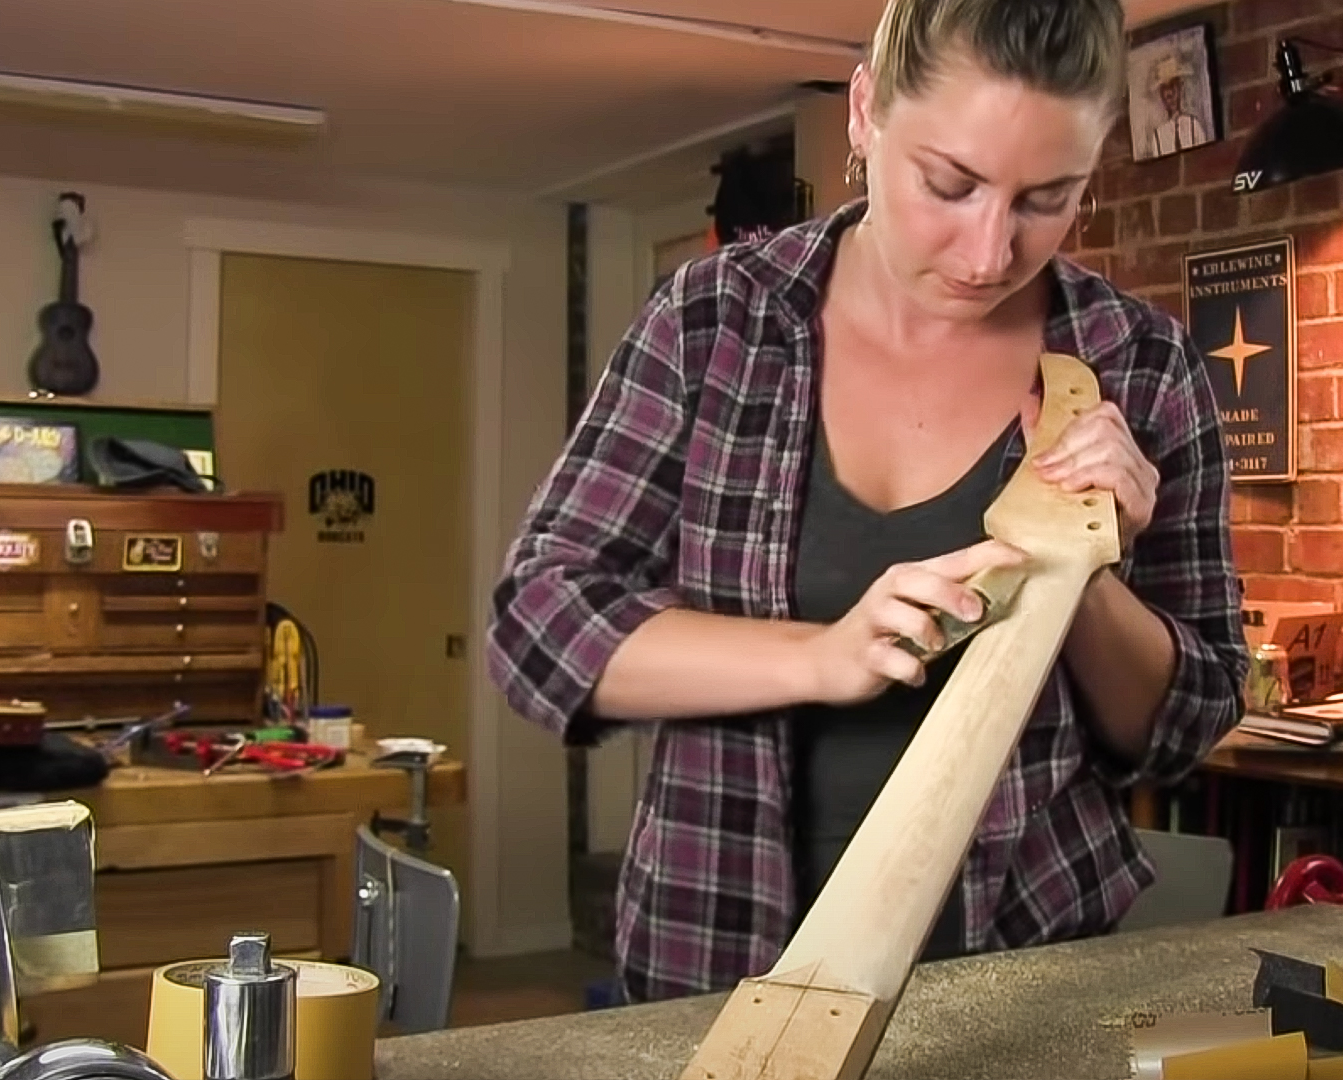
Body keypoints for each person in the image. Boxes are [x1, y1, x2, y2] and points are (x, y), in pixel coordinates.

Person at [486, 0, 1247, 1004]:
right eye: (949, 183)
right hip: (711, 960)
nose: (986, 252)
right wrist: (822, 655)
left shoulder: (1141, 365)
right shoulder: (712, 322)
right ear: (864, 113)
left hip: (1029, 979)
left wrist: (1083, 570)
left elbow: (1184, 726)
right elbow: (540, 622)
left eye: (1046, 199)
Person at [1146, 53, 1209, 158]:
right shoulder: (1158, 137)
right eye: (1165, 89)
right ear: (1162, 96)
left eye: (1173, 86)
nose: (1170, 95)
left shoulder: (1194, 126)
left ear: (1180, 88)